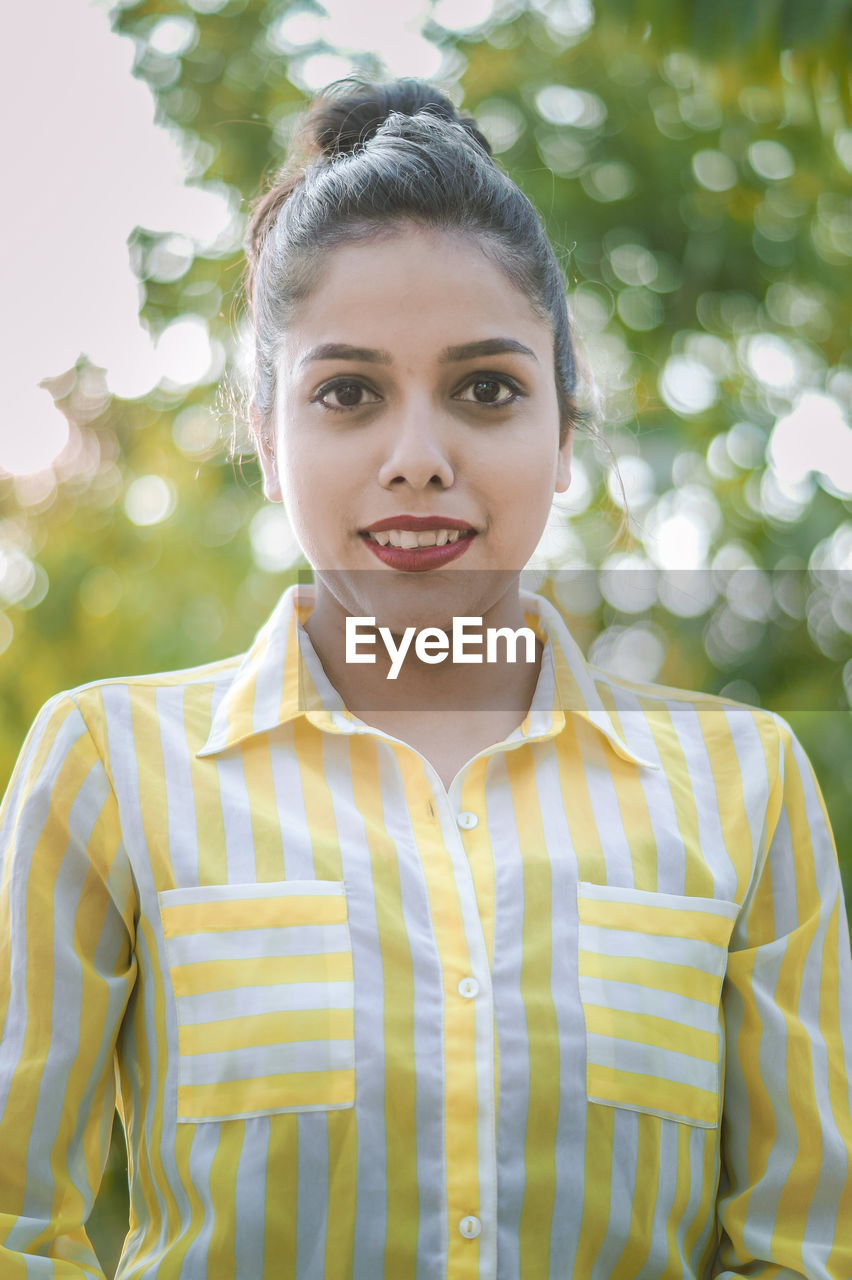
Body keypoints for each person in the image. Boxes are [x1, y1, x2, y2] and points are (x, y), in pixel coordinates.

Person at [0, 77, 850, 1280]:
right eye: (347, 393)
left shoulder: (745, 786)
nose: (418, 459)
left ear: (563, 433)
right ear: (264, 432)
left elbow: (810, 1250)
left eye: (486, 389)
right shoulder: (106, 769)